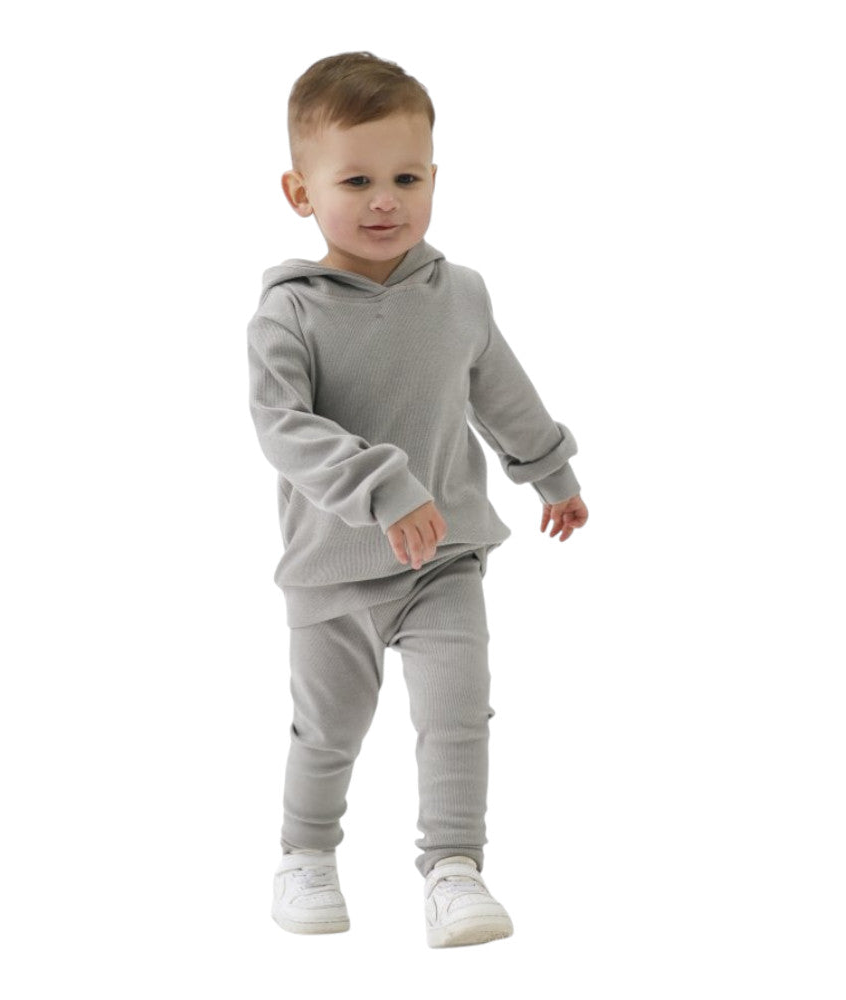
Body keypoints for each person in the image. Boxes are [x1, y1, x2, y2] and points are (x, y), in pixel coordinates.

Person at [246, 51, 589, 948]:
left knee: (457, 713)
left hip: (444, 556)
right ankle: (305, 854)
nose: (384, 201)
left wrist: (550, 472)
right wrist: (385, 485)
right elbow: (282, 427)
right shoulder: (289, 314)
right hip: (332, 570)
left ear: (434, 178)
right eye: (355, 180)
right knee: (329, 730)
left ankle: (454, 868)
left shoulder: (460, 295)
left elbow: (502, 394)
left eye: (406, 178)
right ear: (300, 192)